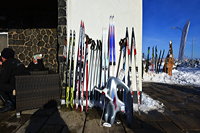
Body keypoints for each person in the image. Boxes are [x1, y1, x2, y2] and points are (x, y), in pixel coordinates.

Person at [0, 48, 29, 112]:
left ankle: (9, 104)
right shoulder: (18, 62)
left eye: (2, 56)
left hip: (15, 88)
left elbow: (3, 80)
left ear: (5, 57)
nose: (1, 58)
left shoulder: (7, 64)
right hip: (25, 86)